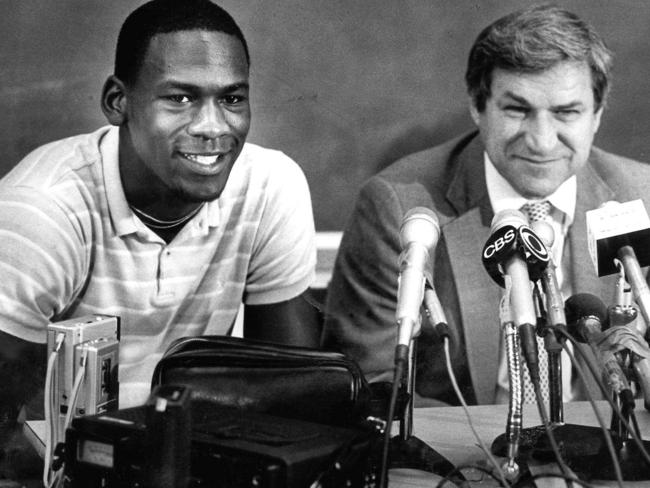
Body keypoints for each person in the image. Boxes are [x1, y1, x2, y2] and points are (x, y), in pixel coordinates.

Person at [0, 0, 318, 446]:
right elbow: (6, 430)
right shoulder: (42, 211)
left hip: (191, 457)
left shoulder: (269, 186)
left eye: (231, 98)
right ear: (118, 102)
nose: (213, 126)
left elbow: (292, 389)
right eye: (180, 98)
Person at [322, 4, 650, 406]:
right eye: (517, 110)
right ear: (477, 107)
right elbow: (370, 379)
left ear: (597, 114)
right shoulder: (395, 206)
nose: (542, 141)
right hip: (462, 456)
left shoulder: (643, 196)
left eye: (566, 113)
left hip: (607, 450)